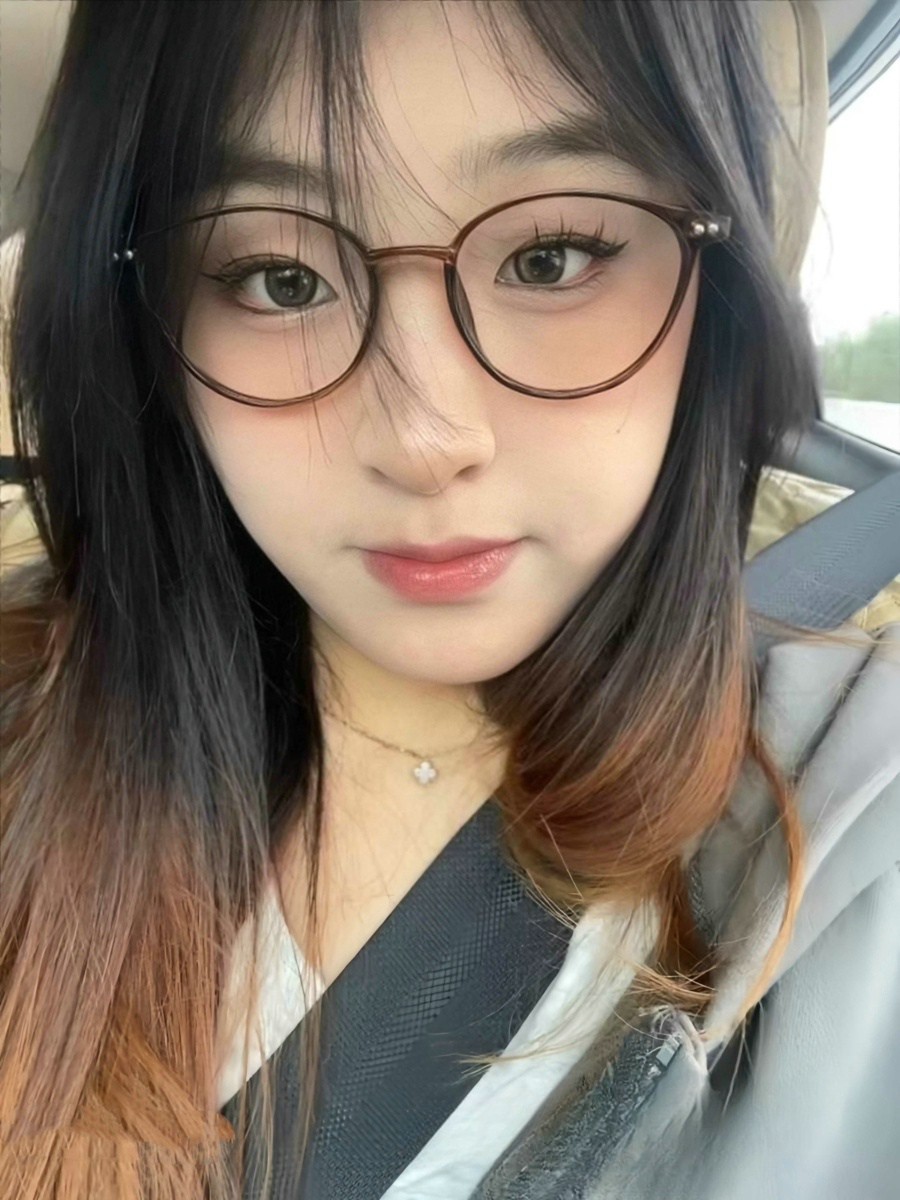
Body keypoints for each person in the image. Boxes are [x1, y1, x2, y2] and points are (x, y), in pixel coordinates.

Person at [0, 2, 897, 1198]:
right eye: (278, 278)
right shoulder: (27, 720)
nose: (425, 439)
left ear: (719, 282)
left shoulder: (856, 816)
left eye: (551, 257)